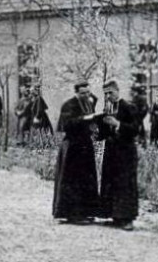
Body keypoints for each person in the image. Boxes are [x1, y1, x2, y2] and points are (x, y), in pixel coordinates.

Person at [52, 81, 100, 224]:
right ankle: (73, 214)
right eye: (82, 93)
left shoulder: (89, 103)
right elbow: (66, 125)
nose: (86, 95)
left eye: (88, 92)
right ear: (76, 93)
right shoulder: (69, 105)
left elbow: (92, 113)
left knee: (87, 179)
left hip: (85, 145)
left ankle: (87, 212)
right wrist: (84, 119)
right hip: (72, 146)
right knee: (73, 180)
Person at [97, 79, 141, 230]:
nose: (109, 96)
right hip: (111, 151)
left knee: (125, 184)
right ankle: (115, 215)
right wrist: (97, 129)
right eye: (106, 93)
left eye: (111, 92)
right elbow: (104, 132)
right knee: (111, 182)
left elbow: (136, 129)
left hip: (126, 152)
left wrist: (118, 124)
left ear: (117, 90)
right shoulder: (108, 108)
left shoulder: (129, 107)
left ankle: (127, 218)